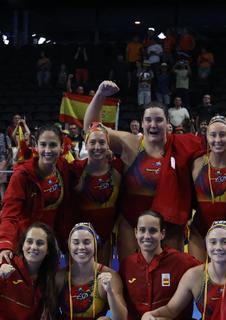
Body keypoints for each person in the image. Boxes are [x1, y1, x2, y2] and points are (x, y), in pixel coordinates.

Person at [84, 80, 204, 258]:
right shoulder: (131, 144)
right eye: (148, 120)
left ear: (167, 122)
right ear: (141, 123)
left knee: (170, 277)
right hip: (132, 224)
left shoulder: (183, 144)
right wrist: (100, 95)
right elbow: (91, 128)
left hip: (169, 225)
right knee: (131, 278)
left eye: (158, 120)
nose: (153, 125)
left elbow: (217, 149)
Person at [0, 125, 71, 265]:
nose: (47, 150)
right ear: (36, 146)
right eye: (43, 144)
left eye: (53, 145)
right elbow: (10, 214)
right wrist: (5, 244)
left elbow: (86, 170)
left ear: (62, 147)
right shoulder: (22, 175)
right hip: (25, 243)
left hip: (51, 245)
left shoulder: (63, 167)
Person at [70, 123, 123, 264]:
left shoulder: (117, 167)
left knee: (103, 270)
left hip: (108, 231)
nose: (97, 147)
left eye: (102, 142)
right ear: (86, 145)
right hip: (82, 233)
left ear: (108, 145)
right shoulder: (76, 169)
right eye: (92, 142)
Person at [189, 116, 226, 261]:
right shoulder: (196, 163)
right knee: (199, 275)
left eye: (223, 134)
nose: (217, 140)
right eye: (213, 135)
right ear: (206, 136)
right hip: (199, 232)